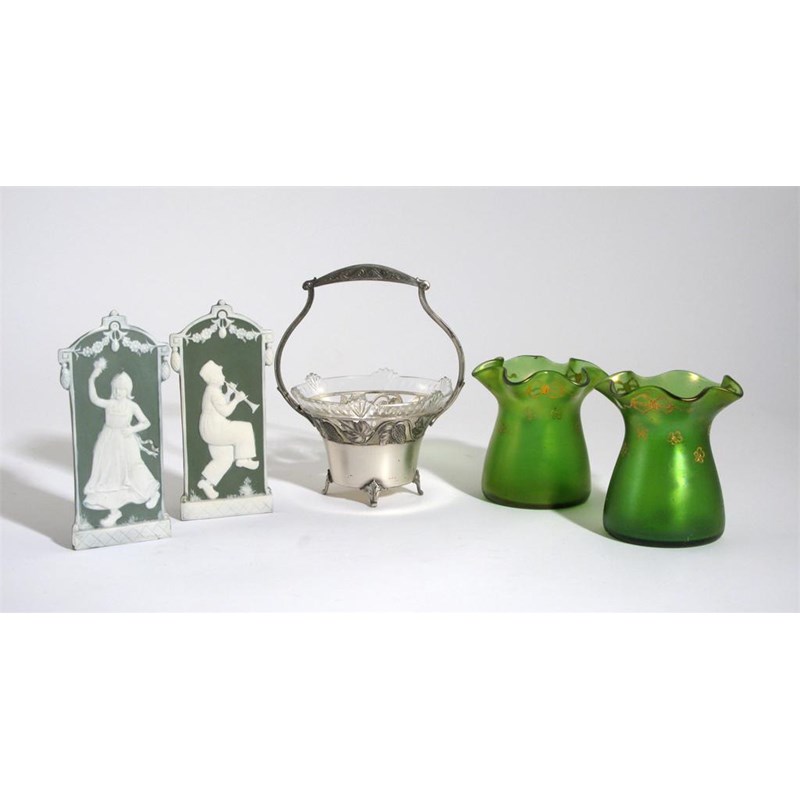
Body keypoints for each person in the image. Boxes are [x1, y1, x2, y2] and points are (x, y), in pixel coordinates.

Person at [83, 357, 160, 527]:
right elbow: (94, 399)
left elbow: (146, 422)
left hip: (126, 440)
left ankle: (152, 492)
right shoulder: (110, 404)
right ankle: (114, 511)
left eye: (122, 390)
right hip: (108, 440)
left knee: (134, 467)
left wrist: (131, 429)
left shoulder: (132, 406)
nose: (119, 393)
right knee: (111, 474)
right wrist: (92, 379)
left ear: (128, 390)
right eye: (116, 390)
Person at [197, 360, 258, 499]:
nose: (224, 377)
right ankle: (243, 459)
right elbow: (225, 411)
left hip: (209, 429)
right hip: (215, 428)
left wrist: (229, 393)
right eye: (221, 374)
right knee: (246, 428)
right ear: (214, 377)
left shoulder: (212, 390)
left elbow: (220, 404)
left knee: (224, 458)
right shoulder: (214, 392)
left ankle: (207, 483)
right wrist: (237, 399)